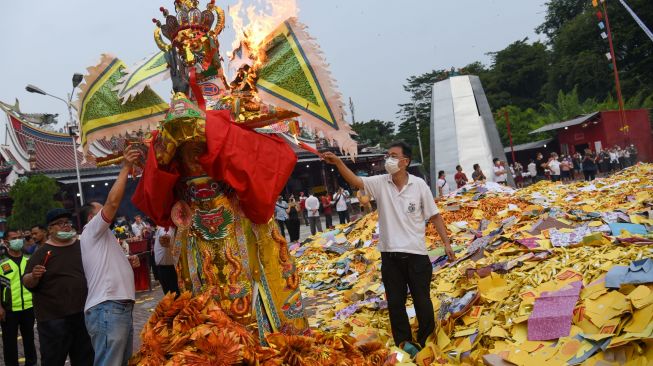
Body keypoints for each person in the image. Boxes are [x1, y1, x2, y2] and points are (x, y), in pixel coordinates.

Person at [323, 141, 454, 352]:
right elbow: (357, 181)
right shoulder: (381, 183)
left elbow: (435, 216)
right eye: (388, 155)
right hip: (390, 256)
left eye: (393, 156)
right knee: (395, 303)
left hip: (416, 254)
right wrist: (338, 162)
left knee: (422, 301)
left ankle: (426, 340)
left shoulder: (419, 185)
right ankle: (404, 343)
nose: (388, 159)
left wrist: (446, 244)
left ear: (405, 161)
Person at [79, 147, 140, 366]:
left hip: (117, 307)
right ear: (90, 217)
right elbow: (112, 203)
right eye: (99, 210)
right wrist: (125, 167)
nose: (106, 213)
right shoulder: (92, 229)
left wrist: (127, 264)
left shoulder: (105, 236)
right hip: (108, 307)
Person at [23, 208, 94, 366]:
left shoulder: (82, 246)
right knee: (53, 360)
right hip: (53, 320)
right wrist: (34, 276)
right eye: (60, 223)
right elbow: (26, 280)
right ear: (50, 229)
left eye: (68, 222)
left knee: (86, 359)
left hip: (83, 315)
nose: (66, 226)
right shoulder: (41, 253)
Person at [0, 230, 37, 366]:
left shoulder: (29, 258)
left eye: (19, 237)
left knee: (29, 339)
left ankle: (31, 363)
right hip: (9, 309)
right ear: (6, 242)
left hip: (29, 307)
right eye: (13, 238)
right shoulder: (1, 261)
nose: (18, 240)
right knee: (9, 342)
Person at [153, 226, 179, 296]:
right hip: (166, 268)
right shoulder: (165, 228)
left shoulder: (165, 228)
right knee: (172, 296)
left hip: (167, 268)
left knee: (172, 296)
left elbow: (165, 237)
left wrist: (166, 238)